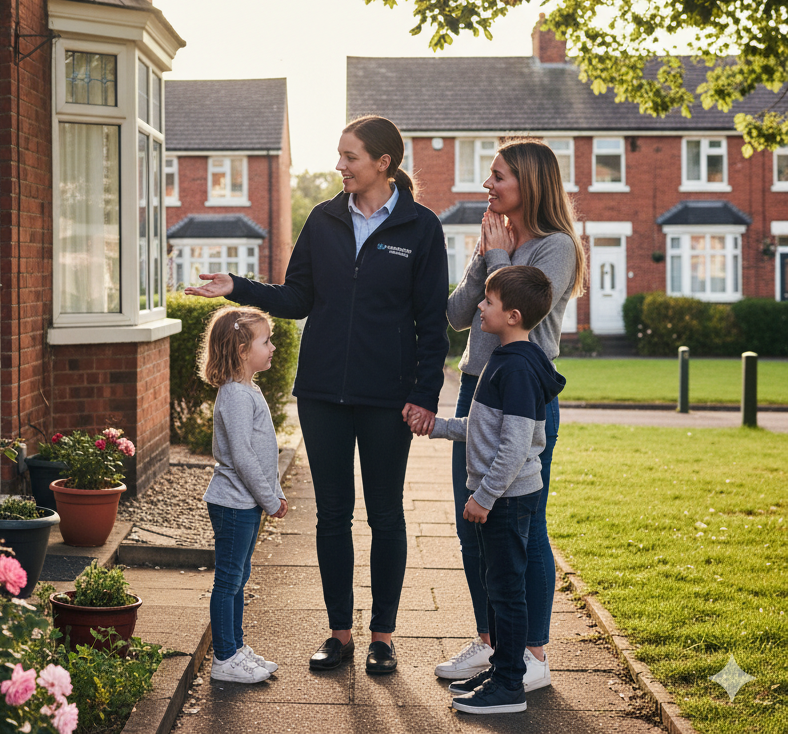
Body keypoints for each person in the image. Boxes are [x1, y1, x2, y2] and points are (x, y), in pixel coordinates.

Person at [187, 115, 449, 675]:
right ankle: (340, 634)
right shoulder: (324, 219)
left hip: (388, 397)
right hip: (323, 392)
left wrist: (425, 394)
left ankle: (382, 636)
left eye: (350, 156)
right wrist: (239, 288)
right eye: (339, 155)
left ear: (383, 162)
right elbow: (297, 296)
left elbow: (432, 321)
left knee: (385, 514)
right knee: (332, 515)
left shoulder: (421, 228)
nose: (340, 166)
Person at [435, 138, 585, 692]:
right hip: (475, 388)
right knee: (470, 519)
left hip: (523, 395)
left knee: (524, 526)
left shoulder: (557, 247)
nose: (487, 185)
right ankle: (494, 641)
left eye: (497, 176)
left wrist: (499, 258)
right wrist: (482, 258)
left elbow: (531, 329)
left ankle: (534, 653)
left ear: (528, 184)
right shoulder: (494, 238)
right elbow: (456, 315)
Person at [430, 265, 566, 715]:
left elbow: (514, 444)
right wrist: (439, 426)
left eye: (488, 302)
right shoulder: (505, 359)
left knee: (507, 591)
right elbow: (486, 428)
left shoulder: (519, 368)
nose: (480, 308)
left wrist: (484, 497)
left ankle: (509, 687)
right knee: (498, 585)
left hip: (506, 499)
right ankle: (503, 669)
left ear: (513, 315)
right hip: (502, 497)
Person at [200, 305, 289, 684]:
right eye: (265, 341)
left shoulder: (248, 389)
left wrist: (276, 491)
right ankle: (224, 657)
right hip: (234, 504)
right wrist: (270, 499)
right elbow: (242, 455)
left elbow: (265, 453)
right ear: (241, 349)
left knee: (239, 577)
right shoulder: (235, 395)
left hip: (246, 502)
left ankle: (235, 647)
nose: (272, 348)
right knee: (228, 581)